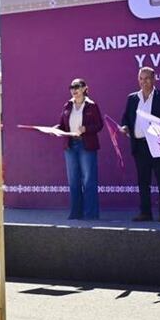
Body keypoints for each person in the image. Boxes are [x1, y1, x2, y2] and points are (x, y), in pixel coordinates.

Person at [120, 67, 160, 222]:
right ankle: (145, 213)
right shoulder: (132, 98)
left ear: (154, 79)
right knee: (143, 182)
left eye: (147, 78)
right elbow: (126, 118)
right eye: (141, 78)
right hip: (139, 146)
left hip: (158, 145)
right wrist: (125, 127)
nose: (144, 82)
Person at [56, 78, 104, 220]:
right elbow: (62, 125)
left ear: (84, 88)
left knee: (89, 180)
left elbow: (99, 125)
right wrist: (54, 129)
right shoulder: (67, 105)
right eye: (71, 87)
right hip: (70, 146)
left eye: (77, 86)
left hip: (86, 145)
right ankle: (76, 213)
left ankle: (90, 214)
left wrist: (86, 128)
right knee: (73, 180)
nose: (74, 90)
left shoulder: (92, 105)